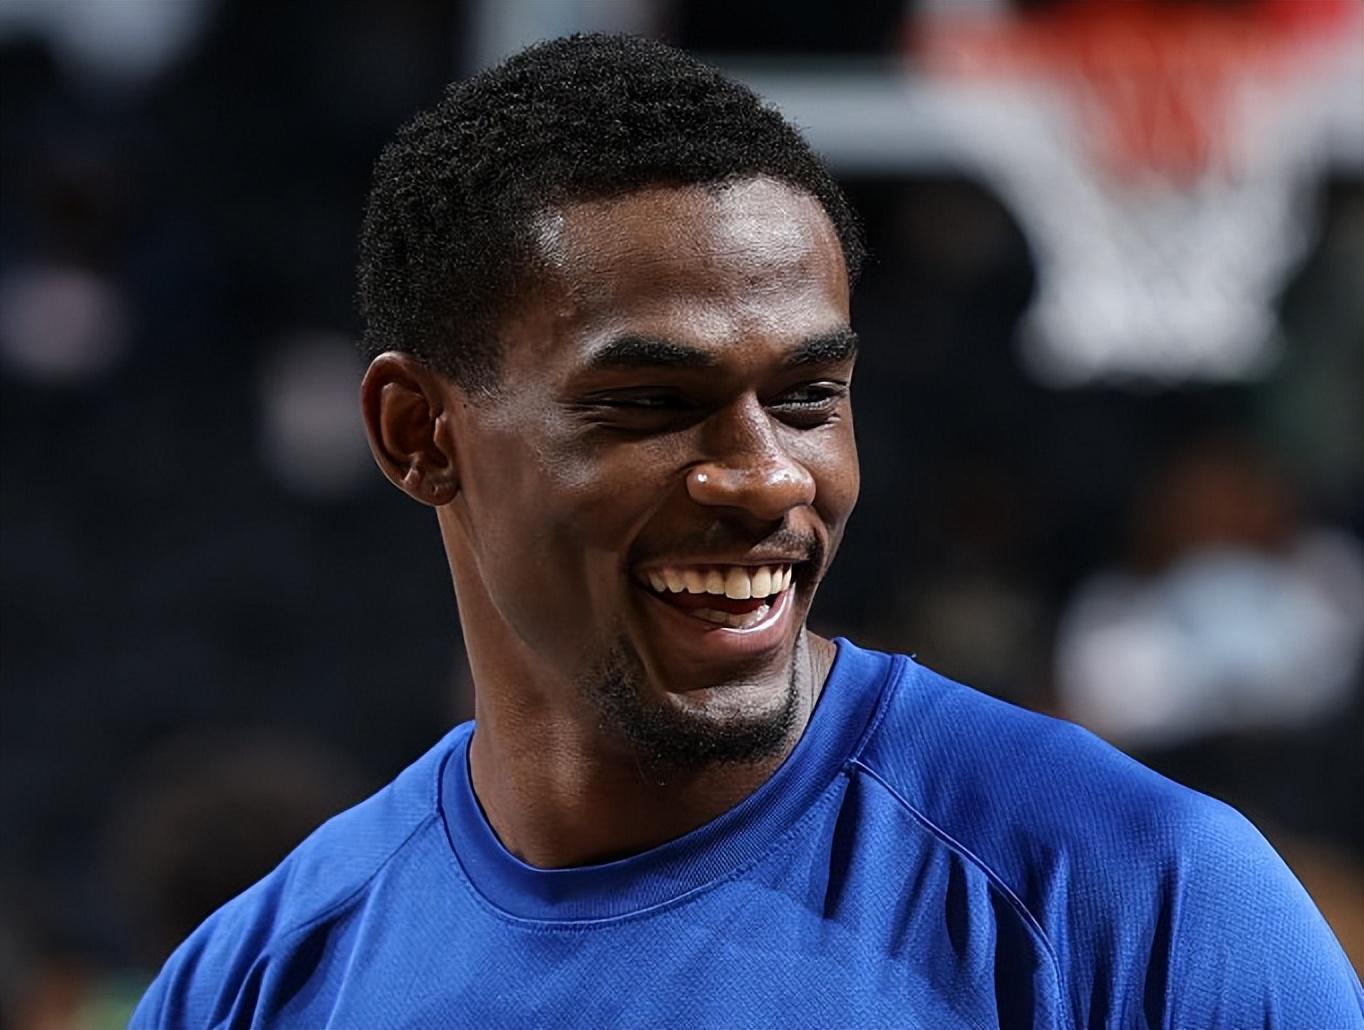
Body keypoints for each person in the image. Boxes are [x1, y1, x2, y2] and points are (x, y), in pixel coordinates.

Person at [130, 33, 1363, 1030]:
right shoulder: (250, 984)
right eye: (648, 404)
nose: (766, 478)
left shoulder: (1141, 899)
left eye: (807, 397)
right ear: (419, 434)